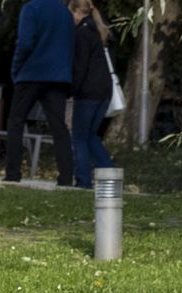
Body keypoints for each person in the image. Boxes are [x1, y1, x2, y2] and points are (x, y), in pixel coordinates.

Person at [2, 0, 76, 187]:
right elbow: (70, 46)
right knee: (59, 127)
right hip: (58, 76)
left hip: (31, 73)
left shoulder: (31, 8)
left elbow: (25, 42)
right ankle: (66, 176)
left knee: (16, 121)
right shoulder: (65, 13)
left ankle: (13, 173)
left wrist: (16, 69)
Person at [69, 0, 117, 188]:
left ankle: (83, 180)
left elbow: (80, 66)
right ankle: (109, 176)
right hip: (104, 91)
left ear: (75, 12)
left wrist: (72, 90)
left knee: (80, 137)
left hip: (87, 92)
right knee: (91, 136)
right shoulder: (99, 31)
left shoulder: (81, 33)